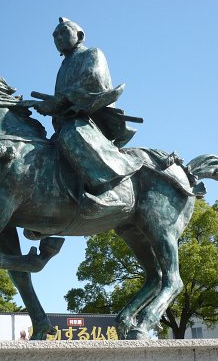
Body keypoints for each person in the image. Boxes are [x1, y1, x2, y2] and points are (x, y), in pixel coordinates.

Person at [34, 17, 143, 218]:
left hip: (94, 117)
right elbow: (61, 102)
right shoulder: (63, 67)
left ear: (80, 35)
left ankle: (113, 191)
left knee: (71, 135)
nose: (58, 37)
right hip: (70, 119)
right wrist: (48, 106)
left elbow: (94, 80)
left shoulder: (93, 53)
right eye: (54, 35)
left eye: (63, 32)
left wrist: (59, 100)